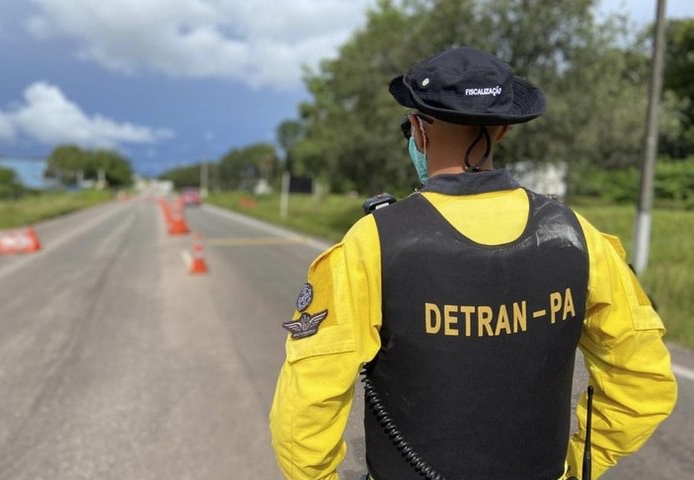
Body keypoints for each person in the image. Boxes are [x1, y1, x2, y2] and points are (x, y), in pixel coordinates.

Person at [269, 47, 677, 480]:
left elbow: (305, 411)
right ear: (501, 130)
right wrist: (575, 464)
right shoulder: (577, 236)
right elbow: (643, 383)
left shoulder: (372, 243)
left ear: (418, 131)